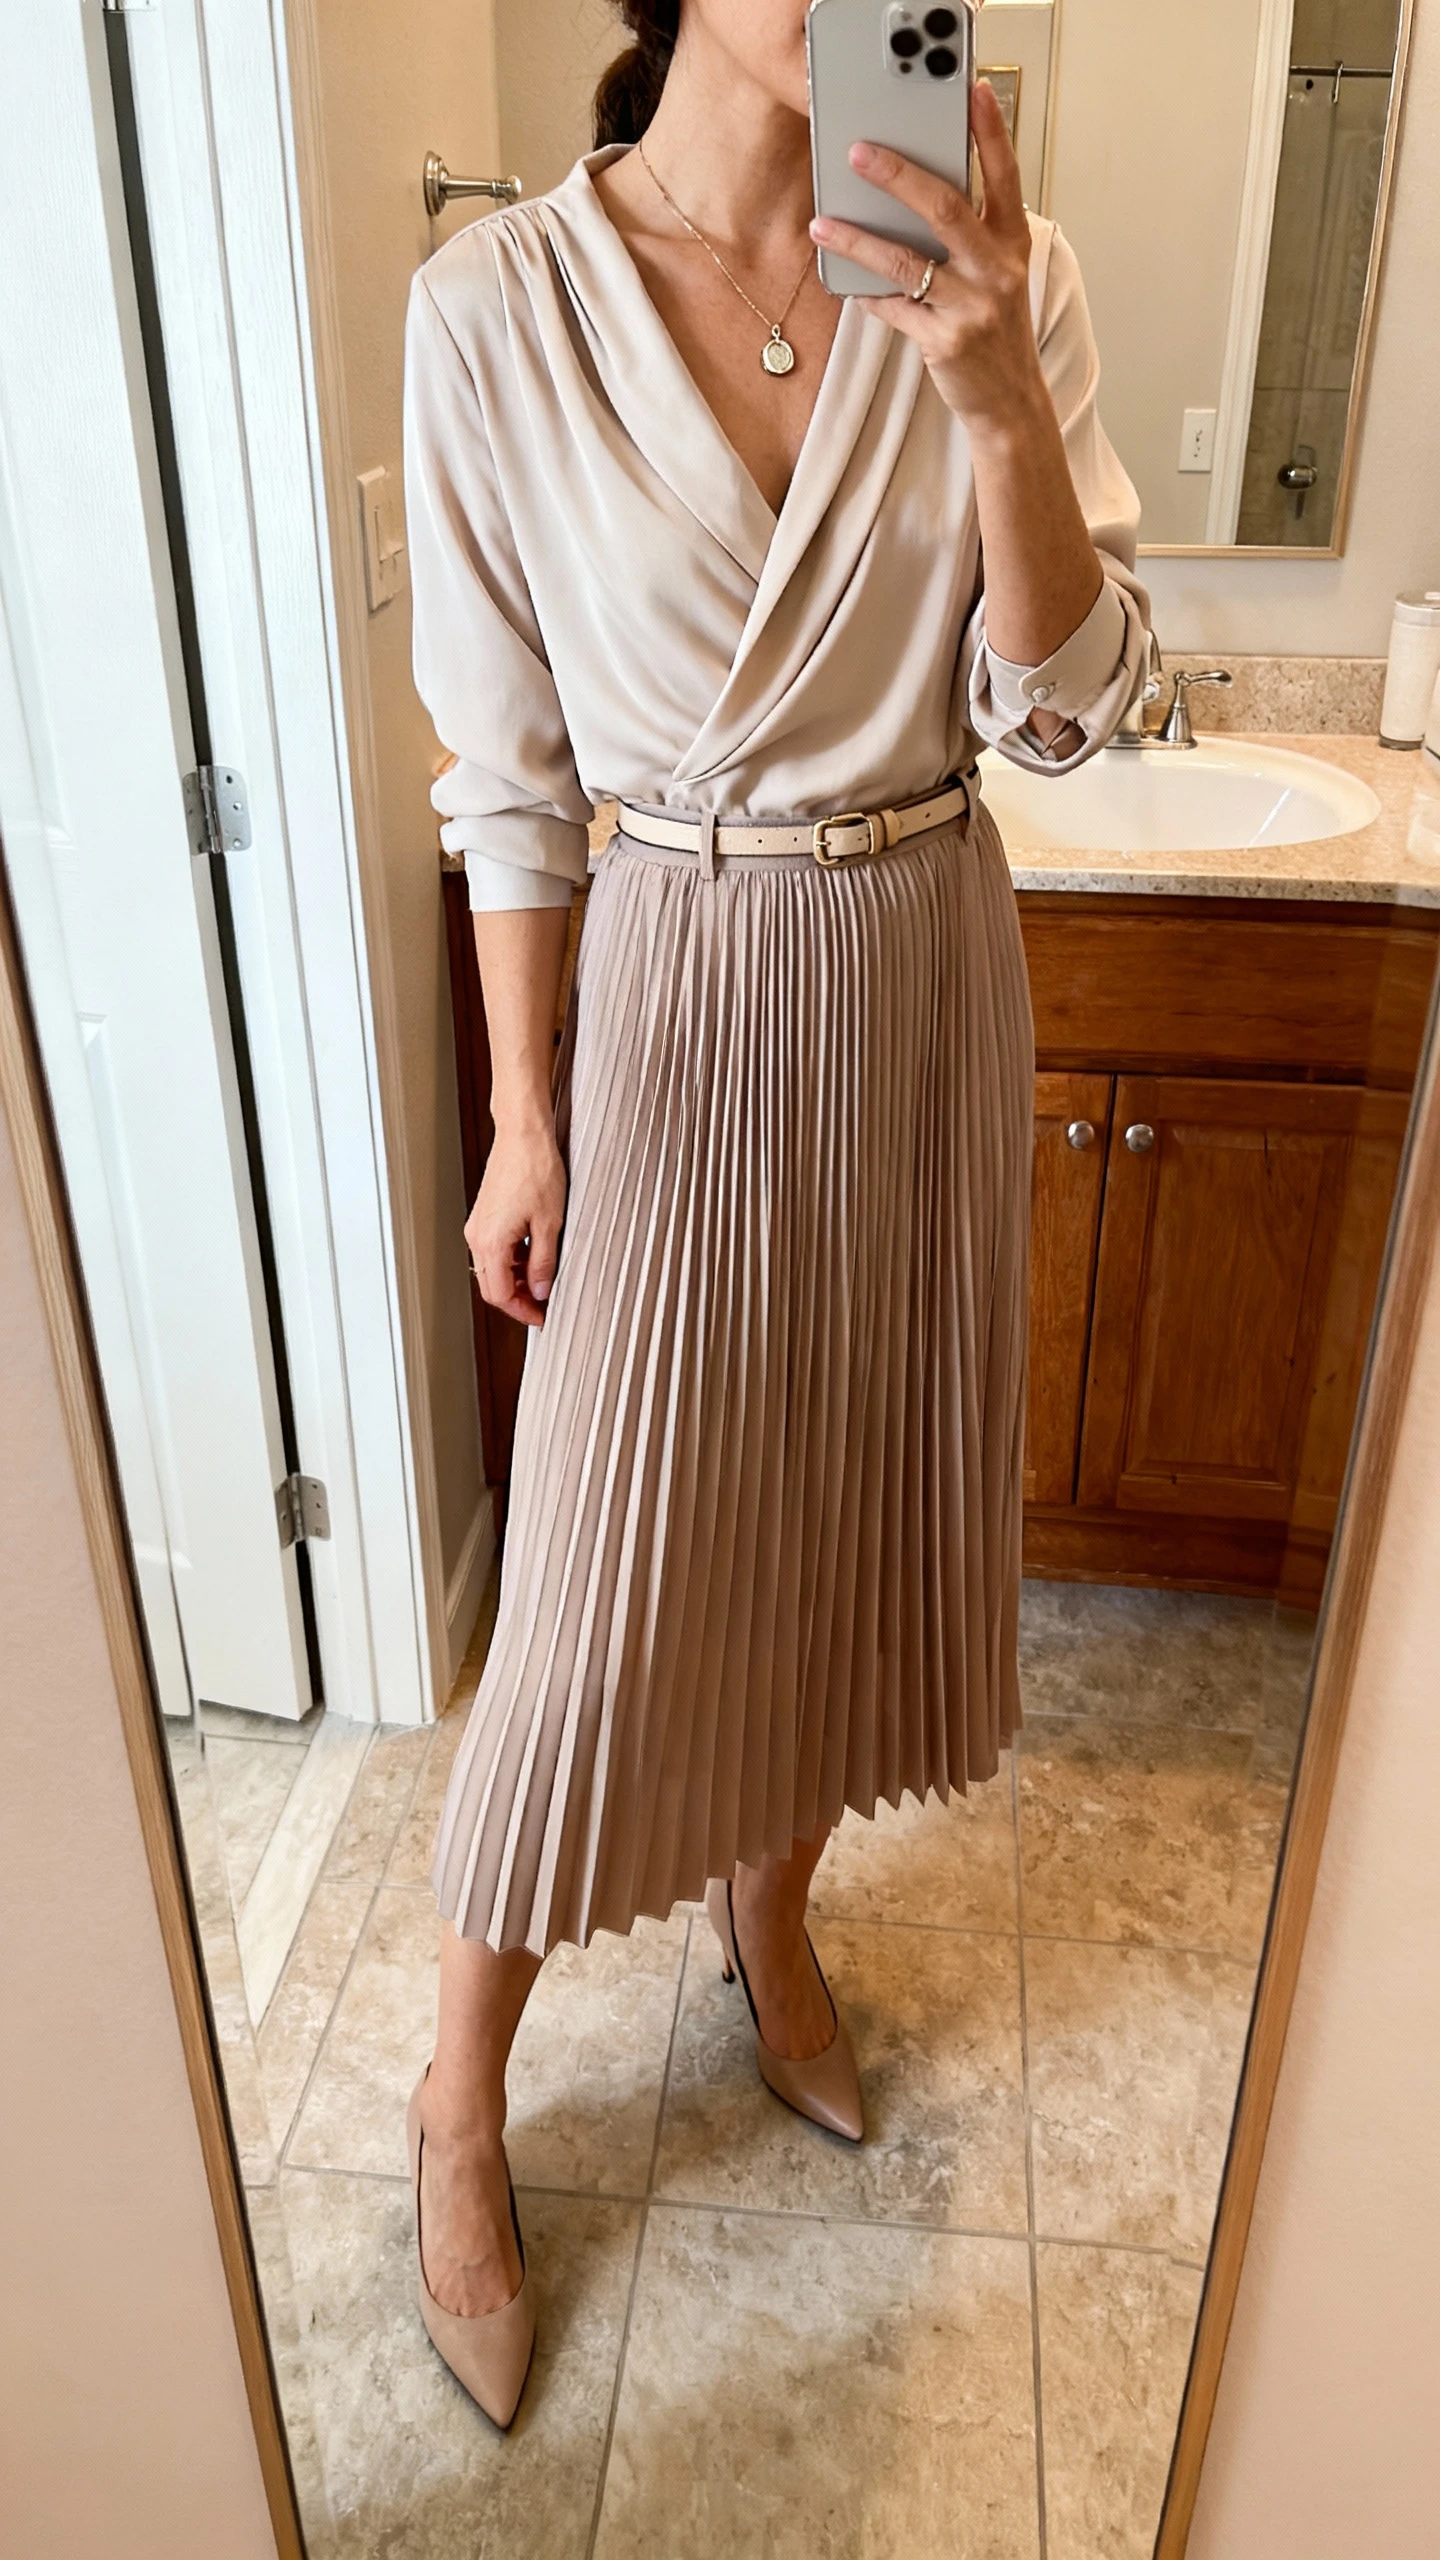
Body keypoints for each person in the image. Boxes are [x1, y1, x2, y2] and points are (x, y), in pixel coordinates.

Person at [401, 0, 1147, 2427]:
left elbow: (1069, 712)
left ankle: (770, 1921)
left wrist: (1002, 383)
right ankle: (451, 2096)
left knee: (844, 1518)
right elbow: (504, 782)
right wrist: (523, 1114)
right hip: (684, 975)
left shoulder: (994, 262)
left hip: (925, 968)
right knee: (606, 1587)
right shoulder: (497, 308)